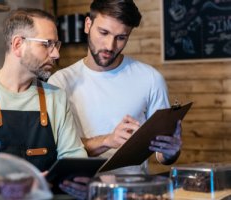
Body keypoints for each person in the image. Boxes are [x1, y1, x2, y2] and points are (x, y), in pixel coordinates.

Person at [48, 0, 182, 197]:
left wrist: (171, 151)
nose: (110, 46)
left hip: (134, 193)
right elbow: (55, 150)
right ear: (87, 25)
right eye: (103, 33)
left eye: (121, 37)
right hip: (79, 193)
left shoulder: (150, 79)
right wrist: (108, 140)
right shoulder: (60, 82)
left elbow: (162, 155)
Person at [0, 9, 87, 173]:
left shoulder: (56, 97)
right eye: (47, 44)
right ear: (18, 45)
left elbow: (74, 160)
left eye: (56, 45)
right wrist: (31, 183)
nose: (56, 54)